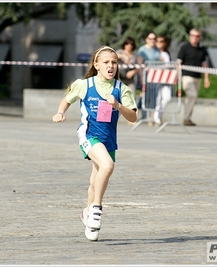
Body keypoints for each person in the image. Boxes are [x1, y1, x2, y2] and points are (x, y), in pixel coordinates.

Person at [52, 46, 137, 241]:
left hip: (108, 140)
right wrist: (60, 112)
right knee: (108, 165)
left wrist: (118, 105)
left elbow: (133, 117)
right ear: (96, 65)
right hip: (88, 135)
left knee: (95, 179)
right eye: (106, 62)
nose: (111, 66)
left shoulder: (121, 89)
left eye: (114, 62)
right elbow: (67, 99)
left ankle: (87, 215)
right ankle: (96, 209)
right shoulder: (84, 85)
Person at [177, 28, 210, 126]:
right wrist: (177, 76)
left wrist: (207, 78)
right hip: (187, 76)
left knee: (191, 98)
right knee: (193, 95)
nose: (195, 38)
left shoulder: (202, 49)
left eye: (197, 36)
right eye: (193, 36)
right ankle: (186, 117)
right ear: (190, 36)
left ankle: (187, 118)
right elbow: (179, 62)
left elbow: (204, 64)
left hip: (197, 77)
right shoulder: (185, 47)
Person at [136, 32, 161, 124]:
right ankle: (136, 113)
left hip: (155, 77)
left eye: (154, 39)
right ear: (146, 39)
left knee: (153, 97)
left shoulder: (157, 50)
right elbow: (140, 64)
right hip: (145, 76)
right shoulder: (142, 50)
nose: (152, 41)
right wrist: (141, 77)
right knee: (144, 96)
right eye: (150, 39)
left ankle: (150, 117)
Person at [153, 35, 172, 126]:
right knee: (158, 99)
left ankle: (159, 115)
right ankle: (156, 118)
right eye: (158, 41)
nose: (160, 43)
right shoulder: (155, 53)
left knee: (167, 98)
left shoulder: (166, 53)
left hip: (166, 79)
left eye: (162, 41)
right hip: (156, 79)